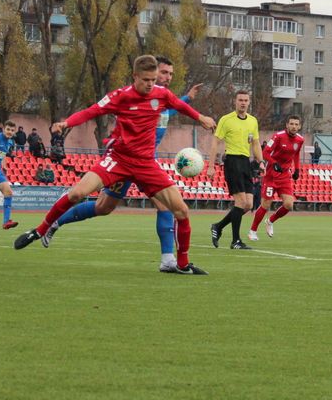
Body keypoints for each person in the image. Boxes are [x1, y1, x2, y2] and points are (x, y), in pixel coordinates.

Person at [13, 55, 216, 277]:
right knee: (78, 194)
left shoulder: (162, 95)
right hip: (118, 159)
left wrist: (201, 117)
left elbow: (179, 106)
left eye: (153, 79)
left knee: (181, 210)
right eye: (147, 79)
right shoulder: (120, 96)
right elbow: (91, 111)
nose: (151, 84)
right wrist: (66, 122)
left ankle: (181, 263)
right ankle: (41, 229)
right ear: (135, 76)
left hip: (146, 164)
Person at [46, 75, 204, 274]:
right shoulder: (138, 100)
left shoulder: (162, 103)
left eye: (170, 74)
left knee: (165, 205)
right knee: (104, 207)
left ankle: (168, 259)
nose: (167, 77)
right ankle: (57, 221)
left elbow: (174, 107)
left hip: (147, 165)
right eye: (163, 73)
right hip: (125, 160)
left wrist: (188, 98)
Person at [208, 90, 264, 250]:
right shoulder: (226, 120)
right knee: (240, 202)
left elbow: (255, 144)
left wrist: (261, 162)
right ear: (235, 101)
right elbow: (215, 143)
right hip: (232, 162)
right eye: (240, 100)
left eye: (246, 100)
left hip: (246, 162)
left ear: (249, 102)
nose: (243, 103)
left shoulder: (253, 121)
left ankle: (218, 226)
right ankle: (236, 241)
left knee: (248, 204)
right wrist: (211, 166)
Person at [248, 114, 304, 241]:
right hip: (272, 176)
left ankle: (270, 221)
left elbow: (296, 154)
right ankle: (252, 230)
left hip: (285, 176)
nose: (294, 126)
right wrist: (274, 163)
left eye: (296, 124)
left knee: (289, 205)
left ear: (299, 126)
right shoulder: (278, 136)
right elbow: (265, 153)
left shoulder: (300, 140)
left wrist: (297, 169)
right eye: (291, 124)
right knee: (266, 204)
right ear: (287, 125)